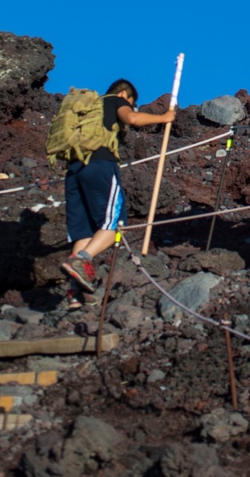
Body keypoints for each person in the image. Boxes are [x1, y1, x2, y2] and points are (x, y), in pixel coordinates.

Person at [60, 79, 175, 308]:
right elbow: (132, 118)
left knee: (86, 231)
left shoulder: (85, 111)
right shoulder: (114, 101)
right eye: (132, 102)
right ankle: (80, 261)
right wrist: (164, 118)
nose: (131, 106)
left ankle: (76, 293)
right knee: (114, 225)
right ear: (125, 95)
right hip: (100, 165)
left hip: (74, 170)